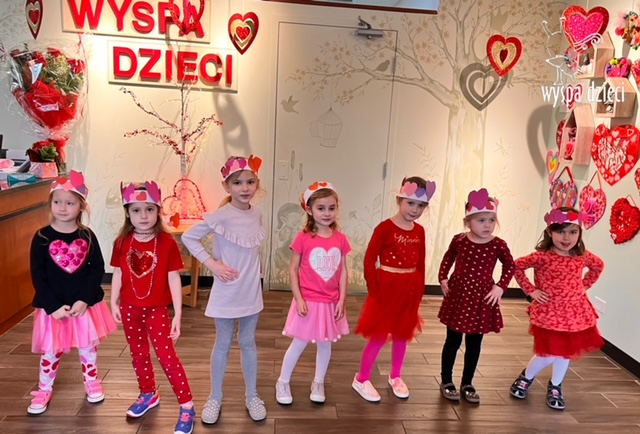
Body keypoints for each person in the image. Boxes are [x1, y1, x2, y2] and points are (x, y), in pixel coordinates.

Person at [182, 155, 267, 424]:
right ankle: (214, 397)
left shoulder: (257, 214)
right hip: (227, 289)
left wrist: (258, 272)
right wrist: (212, 264)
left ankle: (252, 395)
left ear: (257, 184)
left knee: (248, 342)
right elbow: (189, 236)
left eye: (250, 182)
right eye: (237, 183)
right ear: (226, 186)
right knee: (223, 343)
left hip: (250, 289)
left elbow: (251, 250)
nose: (245, 188)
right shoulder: (221, 216)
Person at [27, 171, 116, 415]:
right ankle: (44, 389)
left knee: (87, 347)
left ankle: (92, 381)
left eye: (70, 203)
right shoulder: (42, 237)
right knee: (50, 350)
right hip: (53, 308)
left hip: (82, 306)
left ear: (81, 206)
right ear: (50, 204)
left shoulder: (86, 236)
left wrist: (84, 300)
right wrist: (52, 306)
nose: (63, 207)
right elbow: (38, 275)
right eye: (57, 202)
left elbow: (97, 269)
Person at [110, 181, 195, 434]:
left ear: (158, 211)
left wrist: (178, 314)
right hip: (130, 309)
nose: (143, 216)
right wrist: (113, 300)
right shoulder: (122, 242)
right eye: (136, 210)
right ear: (128, 213)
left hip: (157, 310)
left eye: (149, 209)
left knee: (167, 358)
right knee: (138, 354)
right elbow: (118, 272)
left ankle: (187, 406)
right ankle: (148, 393)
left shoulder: (166, 242)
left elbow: (174, 278)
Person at [509, 207, 604, 410]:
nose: (567, 237)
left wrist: (584, 286)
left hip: (573, 313)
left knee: (564, 353)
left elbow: (598, 266)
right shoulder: (542, 257)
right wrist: (531, 290)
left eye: (573, 232)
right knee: (548, 353)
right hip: (549, 313)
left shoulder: (582, 255)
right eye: (561, 231)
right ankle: (526, 377)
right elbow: (516, 266)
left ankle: (555, 385)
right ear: (550, 232)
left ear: (579, 233)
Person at [352, 176, 436, 402]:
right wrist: (374, 289)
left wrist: (419, 291)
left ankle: (396, 376)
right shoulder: (385, 228)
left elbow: (420, 262)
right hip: (386, 288)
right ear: (399, 200)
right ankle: (361, 378)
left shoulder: (419, 231)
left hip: (409, 288)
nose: (415, 209)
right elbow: (369, 260)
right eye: (411, 203)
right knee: (379, 335)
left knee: (402, 334)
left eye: (421, 205)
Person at [275, 182, 351, 405]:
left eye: (331, 208)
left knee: (325, 344)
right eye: (321, 208)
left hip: (330, 302)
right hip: (308, 301)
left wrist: (342, 299)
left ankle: (318, 382)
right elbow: (293, 269)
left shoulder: (340, 239)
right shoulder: (303, 237)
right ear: (309, 210)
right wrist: (298, 298)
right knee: (299, 343)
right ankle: (282, 381)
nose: (327, 213)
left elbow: (343, 270)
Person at [437, 188, 515, 403]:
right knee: (452, 341)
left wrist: (500, 287)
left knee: (474, 343)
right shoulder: (459, 240)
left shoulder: (498, 244)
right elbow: (448, 258)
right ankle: (446, 380)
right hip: (459, 296)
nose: (487, 225)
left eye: (492, 220)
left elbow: (510, 266)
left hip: (482, 299)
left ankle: (467, 383)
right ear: (468, 222)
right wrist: (443, 278)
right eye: (481, 220)